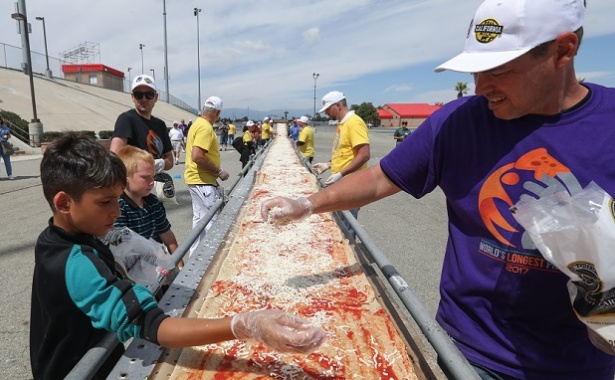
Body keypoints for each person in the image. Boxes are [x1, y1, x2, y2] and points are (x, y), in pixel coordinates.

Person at [261, 0, 615, 379]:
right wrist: (307, 203)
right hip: (470, 353)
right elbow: (382, 177)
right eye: (477, 71)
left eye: (499, 70)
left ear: (563, 51)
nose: (482, 88)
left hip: (579, 362)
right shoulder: (459, 121)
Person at [31, 133, 326, 380]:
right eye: (106, 202)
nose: (117, 211)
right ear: (64, 203)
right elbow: (154, 326)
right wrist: (245, 324)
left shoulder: (55, 239)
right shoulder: (78, 264)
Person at [312, 91, 370, 236]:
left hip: (352, 184)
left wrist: (341, 174)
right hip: (343, 182)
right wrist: (328, 164)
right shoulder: (342, 124)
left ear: (338, 105)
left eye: (328, 109)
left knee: (346, 226)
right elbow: (345, 153)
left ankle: (349, 255)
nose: (326, 113)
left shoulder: (354, 123)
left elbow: (364, 155)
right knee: (339, 224)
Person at [184, 96, 230, 255]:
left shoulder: (197, 123)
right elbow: (197, 156)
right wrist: (219, 171)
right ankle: (210, 260)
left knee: (199, 222)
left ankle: (195, 257)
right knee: (212, 222)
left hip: (196, 180)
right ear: (218, 112)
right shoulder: (205, 128)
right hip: (203, 181)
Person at [114, 145, 178, 255]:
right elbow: (121, 250)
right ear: (125, 178)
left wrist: (179, 264)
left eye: (153, 176)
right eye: (145, 177)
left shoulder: (152, 201)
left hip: (155, 260)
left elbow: (166, 234)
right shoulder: (118, 207)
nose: (152, 182)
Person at [110, 75, 174, 174]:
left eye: (149, 94)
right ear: (132, 97)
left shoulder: (160, 124)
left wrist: (162, 163)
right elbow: (115, 157)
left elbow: (170, 159)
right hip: (134, 185)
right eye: (138, 95)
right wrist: (142, 166)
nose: (144, 99)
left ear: (155, 97)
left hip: (156, 182)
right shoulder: (126, 119)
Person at [0, 114, 13, 180]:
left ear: (0, 120)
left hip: (4, 145)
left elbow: (9, 135)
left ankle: (10, 174)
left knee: (7, 160)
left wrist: (6, 136)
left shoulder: (5, 127)